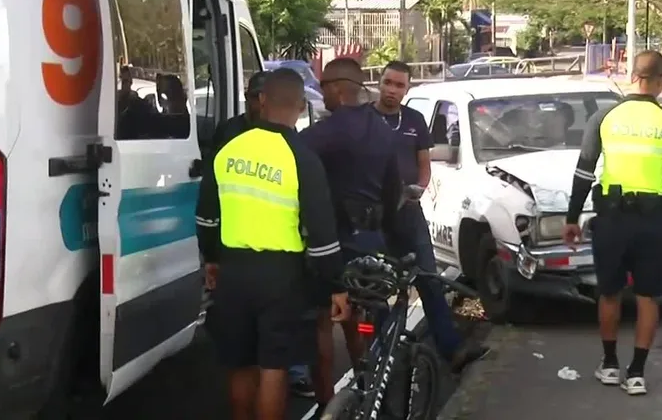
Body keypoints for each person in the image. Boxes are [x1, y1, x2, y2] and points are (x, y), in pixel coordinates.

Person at [195, 68, 350, 420]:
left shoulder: (228, 151)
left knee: (240, 365)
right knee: (273, 368)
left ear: (262, 101)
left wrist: (212, 260)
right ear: (299, 108)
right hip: (282, 278)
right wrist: (335, 287)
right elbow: (322, 234)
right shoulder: (302, 157)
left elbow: (206, 217)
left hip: (233, 272)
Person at [562, 50, 662, 396]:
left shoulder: (603, 118)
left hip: (611, 218)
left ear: (630, 75)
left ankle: (609, 365)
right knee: (648, 296)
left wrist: (572, 218)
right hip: (654, 221)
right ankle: (636, 373)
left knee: (608, 292)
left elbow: (583, 172)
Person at [299, 57, 402, 417]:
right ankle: (371, 392)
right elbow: (394, 191)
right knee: (363, 317)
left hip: (332, 242)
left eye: (324, 86)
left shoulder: (323, 133)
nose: (321, 94)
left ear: (338, 89)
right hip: (371, 238)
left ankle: (327, 404)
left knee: (323, 323)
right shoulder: (383, 132)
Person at [372, 60, 490, 372]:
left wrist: (419, 189)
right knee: (376, 289)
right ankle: (384, 358)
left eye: (399, 85)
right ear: (379, 83)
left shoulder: (413, 120)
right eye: (388, 82)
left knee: (428, 279)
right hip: (374, 218)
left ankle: (451, 350)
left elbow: (424, 163)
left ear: (406, 89)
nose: (392, 90)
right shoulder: (365, 120)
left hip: (410, 214)